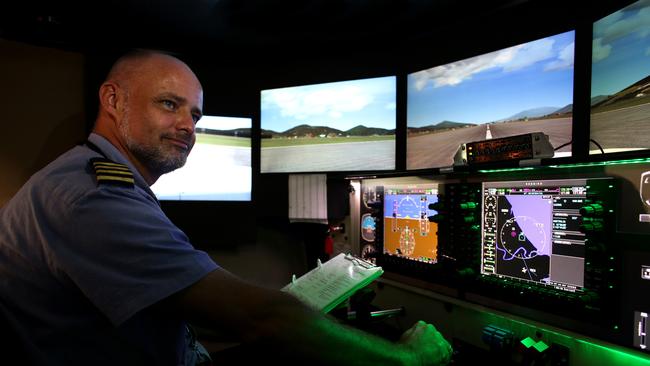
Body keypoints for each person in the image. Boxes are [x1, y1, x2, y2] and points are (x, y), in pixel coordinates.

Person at [0, 50, 453, 365]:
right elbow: (258, 319)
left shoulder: (93, 177)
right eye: (168, 104)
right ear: (112, 99)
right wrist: (406, 357)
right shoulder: (93, 198)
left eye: (194, 115)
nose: (186, 126)